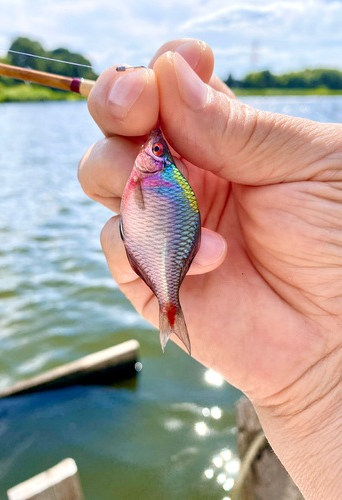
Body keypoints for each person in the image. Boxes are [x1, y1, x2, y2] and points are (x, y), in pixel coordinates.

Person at [78, 39, 342, 500]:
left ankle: (169, 302)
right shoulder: (155, 173)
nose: (151, 150)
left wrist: (322, 387)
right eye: (158, 152)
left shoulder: (153, 172)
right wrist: (315, 396)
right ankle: (170, 300)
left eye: (157, 151)